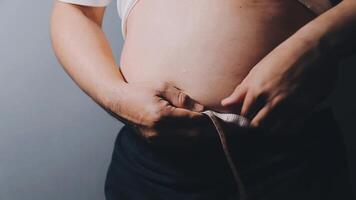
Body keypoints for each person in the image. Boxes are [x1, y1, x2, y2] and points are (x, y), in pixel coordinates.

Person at [50, 0, 356, 199]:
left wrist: (315, 44)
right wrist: (117, 98)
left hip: (286, 154)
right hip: (153, 159)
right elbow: (76, 9)